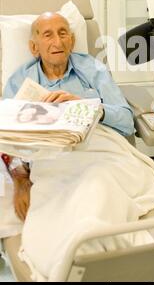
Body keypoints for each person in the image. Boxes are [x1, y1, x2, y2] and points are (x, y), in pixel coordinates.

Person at [2, 11, 135, 221]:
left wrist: (89, 108)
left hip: (100, 152)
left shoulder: (93, 69)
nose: (57, 41)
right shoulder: (19, 81)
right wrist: (20, 181)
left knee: (101, 187)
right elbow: (9, 139)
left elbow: (127, 122)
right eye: (48, 35)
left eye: (63, 33)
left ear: (71, 41)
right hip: (50, 160)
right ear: (34, 48)